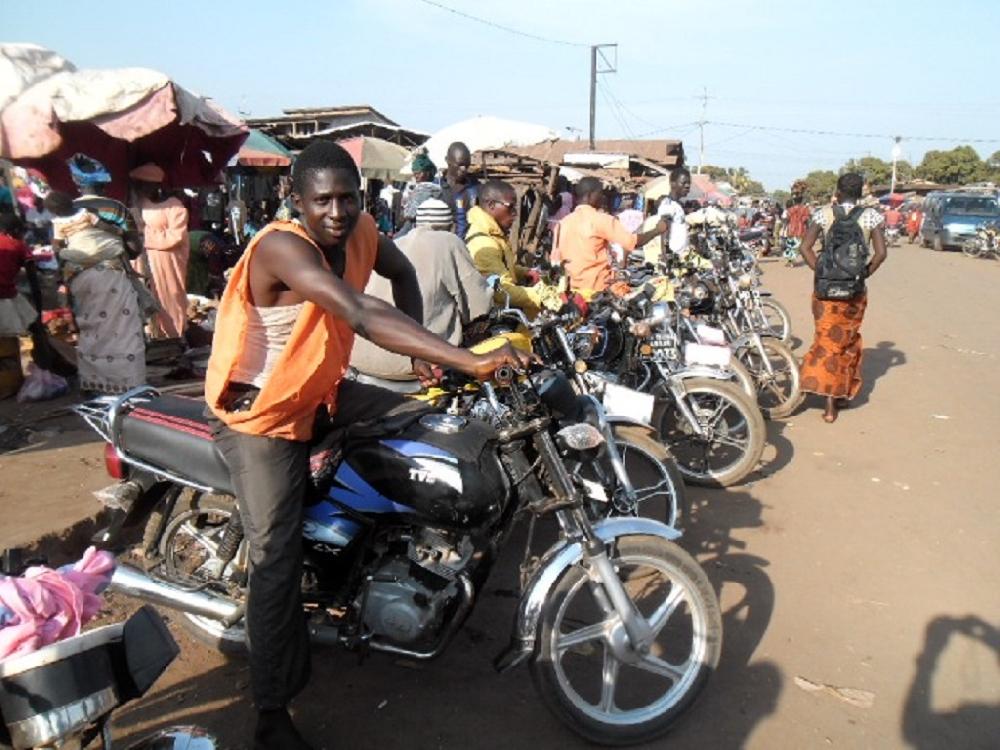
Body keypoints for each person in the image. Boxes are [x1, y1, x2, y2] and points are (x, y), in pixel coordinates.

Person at [203, 140, 529, 749]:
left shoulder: (363, 230)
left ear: (363, 196)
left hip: (322, 391)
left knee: (425, 430)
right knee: (274, 559)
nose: (336, 210)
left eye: (347, 196)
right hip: (265, 413)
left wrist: (423, 358)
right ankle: (272, 713)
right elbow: (357, 308)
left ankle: (383, 559)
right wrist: (466, 359)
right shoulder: (280, 247)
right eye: (321, 199)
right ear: (294, 200)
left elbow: (402, 274)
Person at [350, 198, 493, 382]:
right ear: (449, 225)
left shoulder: (398, 242)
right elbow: (479, 305)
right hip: (414, 366)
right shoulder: (449, 242)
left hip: (360, 361)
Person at [799, 172, 888, 424]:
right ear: (861, 192)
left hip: (825, 292)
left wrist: (822, 272)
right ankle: (835, 398)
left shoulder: (823, 214)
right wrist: (862, 275)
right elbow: (881, 254)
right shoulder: (871, 216)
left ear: (837, 191)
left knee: (825, 339)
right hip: (854, 292)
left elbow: (804, 248)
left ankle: (818, 392)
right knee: (846, 341)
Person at [553, 176, 667, 297]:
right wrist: (657, 230)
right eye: (600, 193)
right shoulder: (601, 220)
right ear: (590, 195)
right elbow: (633, 242)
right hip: (598, 291)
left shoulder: (562, 223)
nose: (603, 198)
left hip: (571, 292)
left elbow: (556, 259)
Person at [466, 180, 546, 317]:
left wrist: (525, 272)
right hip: (497, 317)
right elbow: (501, 291)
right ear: (491, 205)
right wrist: (543, 296)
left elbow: (503, 267)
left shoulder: (495, 234)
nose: (515, 214)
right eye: (511, 207)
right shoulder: (484, 243)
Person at [132, 163, 190, 339]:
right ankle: (152, 335)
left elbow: (176, 236)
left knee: (170, 297)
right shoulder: (138, 205)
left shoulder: (174, 206)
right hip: (143, 260)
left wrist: (145, 235)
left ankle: (174, 336)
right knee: (145, 297)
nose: (142, 188)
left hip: (167, 261)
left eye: (145, 184)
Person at [0, 213, 36, 398]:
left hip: (7, 296)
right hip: (5, 299)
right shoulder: (17, 245)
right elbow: (32, 274)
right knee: (11, 341)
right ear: (15, 231)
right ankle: (10, 384)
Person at [440, 141, 479, 238]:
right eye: (460, 164)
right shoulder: (437, 190)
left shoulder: (476, 188)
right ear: (447, 160)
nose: (463, 169)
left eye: (467, 165)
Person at [400, 151, 442, 234]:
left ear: (427, 173)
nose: (416, 176)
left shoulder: (425, 189)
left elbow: (410, 214)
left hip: (417, 228)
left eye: (419, 173)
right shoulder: (437, 189)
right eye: (415, 173)